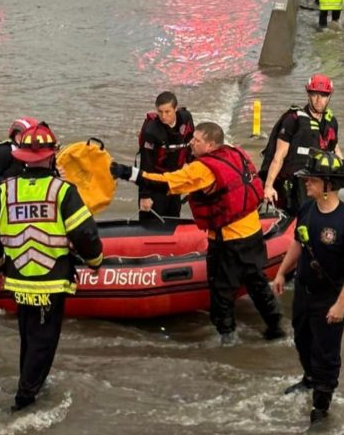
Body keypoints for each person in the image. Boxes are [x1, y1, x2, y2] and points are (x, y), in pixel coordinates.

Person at [112, 122, 284, 346]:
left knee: (221, 293)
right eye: (192, 138)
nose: (191, 143)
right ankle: (276, 329)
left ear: (211, 145)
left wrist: (126, 172)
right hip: (252, 233)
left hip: (228, 240)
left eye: (197, 140)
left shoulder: (203, 169)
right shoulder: (235, 152)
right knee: (257, 284)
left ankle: (227, 340)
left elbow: (164, 183)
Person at [0, 122, 103, 411]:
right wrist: (95, 261)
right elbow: (85, 233)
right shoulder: (63, 191)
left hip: (18, 278)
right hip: (51, 280)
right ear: (52, 156)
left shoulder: (5, 190)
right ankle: (25, 399)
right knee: (43, 340)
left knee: (29, 335)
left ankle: (31, 382)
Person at [270, 150, 344, 427]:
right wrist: (281, 273)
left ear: (327, 185)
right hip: (304, 293)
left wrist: (340, 304)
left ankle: (321, 407)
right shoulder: (307, 210)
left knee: (326, 354)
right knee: (302, 341)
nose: (306, 183)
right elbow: (297, 244)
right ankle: (309, 378)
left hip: (330, 299)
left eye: (311, 179)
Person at [261, 74, 344, 217]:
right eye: (314, 94)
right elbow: (279, 156)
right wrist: (268, 186)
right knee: (300, 216)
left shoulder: (331, 122)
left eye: (323, 95)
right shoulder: (293, 120)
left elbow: (335, 150)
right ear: (308, 94)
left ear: (329, 96)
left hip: (320, 184)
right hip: (295, 184)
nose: (318, 99)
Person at [136, 91, 195, 222]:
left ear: (175, 108)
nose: (163, 116)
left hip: (175, 179)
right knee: (152, 221)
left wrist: (189, 162)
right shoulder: (151, 131)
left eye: (167, 112)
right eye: (160, 112)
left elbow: (192, 143)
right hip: (156, 181)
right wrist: (144, 196)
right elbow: (145, 165)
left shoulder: (186, 118)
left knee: (173, 217)